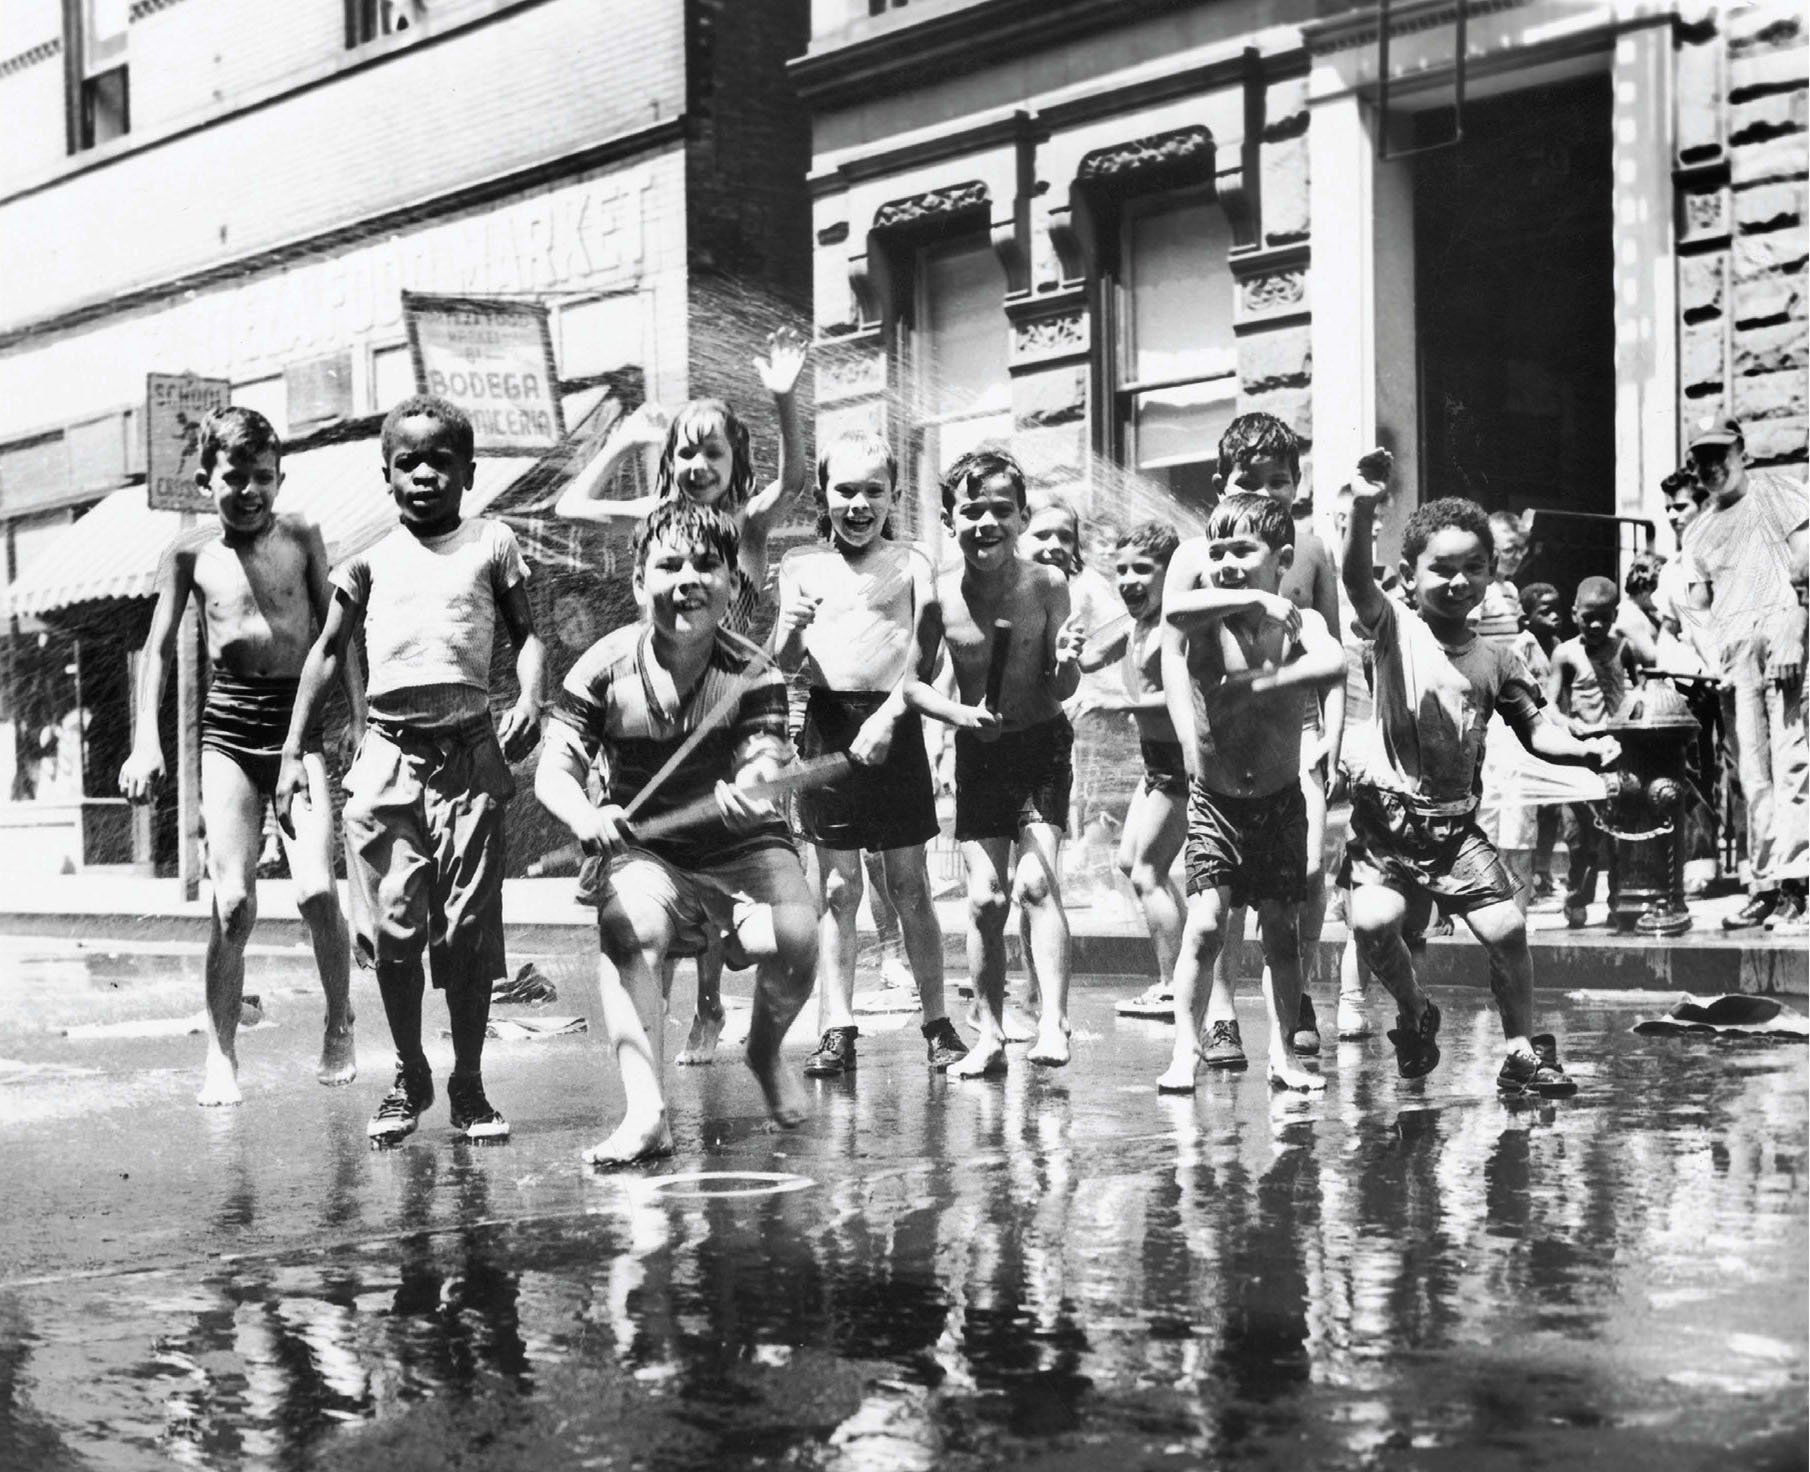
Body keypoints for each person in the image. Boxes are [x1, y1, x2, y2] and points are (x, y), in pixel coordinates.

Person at [276, 395, 546, 1144]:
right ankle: (409, 1071)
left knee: (465, 932)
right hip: (387, 758)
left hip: (469, 753)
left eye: (440, 462)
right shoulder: (366, 557)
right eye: (408, 463)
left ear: (468, 473)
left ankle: (468, 1082)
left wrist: (532, 692)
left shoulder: (493, 543)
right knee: (395, 931)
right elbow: (327, 652)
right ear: (387, 475)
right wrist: (297, 750)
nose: (424, 474)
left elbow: (529, 636)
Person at [534, 499, 817, 1164]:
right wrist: (585, 815)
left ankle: (767, 1052)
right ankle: (646, 1114)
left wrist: (753, 783)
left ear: (730, 587)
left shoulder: (754, 670)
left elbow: (768, 759)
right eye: (669, 565)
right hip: (648, 854)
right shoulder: (602, 667)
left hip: (745, 847)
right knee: (628, 924)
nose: (689, 577)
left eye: (707, 566)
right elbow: (556, 768)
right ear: (638, 584)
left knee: (799, 937)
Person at [555, 328, 808, 1053]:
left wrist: (784, 399)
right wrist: (626, 442)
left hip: (734, 717)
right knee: (654, 874)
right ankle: (674, 1020)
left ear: (735, 464)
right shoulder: (658, 524)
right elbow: (575, 503)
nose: (697, 464)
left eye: (713, 452)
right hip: (661, 717)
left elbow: (793, 482)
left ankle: (714, 1002)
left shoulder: (746, 528)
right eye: (684, 452)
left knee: (728, 855)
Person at [1340, 459, 1619, 1099]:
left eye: (1473, 568)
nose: (1457, 581)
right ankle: (1416, 1012)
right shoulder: (1393, 632)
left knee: (1508, 929)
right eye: (1439, 569)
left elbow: (1538, 729)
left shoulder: (1499, 659)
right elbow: (1356, 578)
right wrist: (1362, 507)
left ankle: (1520, 1049)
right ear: (1409, 577)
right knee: (1375, 924)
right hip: (1388, 827)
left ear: (1492, 575)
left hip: (1453, 828)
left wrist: (1583, 749)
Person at [119, 406, 361, 1106]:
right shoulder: (191, 554)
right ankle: (221, 1052)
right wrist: (145, 738)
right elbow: (157, 651)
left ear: (280, 477)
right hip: (228, 735)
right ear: (205, 481)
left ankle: (339, 1020)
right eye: (234, 478)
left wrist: (360, 717)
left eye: (263, 477)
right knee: (233, 905)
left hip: (300, 727)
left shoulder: (304, 536)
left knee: (317, 890)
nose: (250, 491)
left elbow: (340, 631)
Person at [774, 430, 990, 1078]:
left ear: (894, 496)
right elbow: (783, 664)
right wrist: (790, 630)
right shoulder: (802, 568)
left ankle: (936, 1020)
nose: (859, 504)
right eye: (845, 490)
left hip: (892, 722)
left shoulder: (913, 563)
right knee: (837, 889)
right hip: (826, 723)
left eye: (874, 490)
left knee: (909, 884)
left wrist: (894, 717)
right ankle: (838, 1026)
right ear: (823, 495)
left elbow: (931, 657)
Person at [1156, 493, 1346, 1093]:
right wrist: (1248, 596)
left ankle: (1285, 1056)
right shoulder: (1206, 617)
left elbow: (1335, 662)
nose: (1227, 562)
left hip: (1281, 802)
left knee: (1281, 936)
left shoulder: (1302, 622)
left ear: (1282, 558)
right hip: (1217, 803)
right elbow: (1174, 616)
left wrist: (1275, 692)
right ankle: (1185, 1050)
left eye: (1244, 551)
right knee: (1207, 926)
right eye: (1217, 552)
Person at [935, 449, 1087, 1076]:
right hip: (979, 751)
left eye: (1002, 509)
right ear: (950, 520)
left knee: (1034, 884)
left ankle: (1053, 1022)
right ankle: (991, 1035)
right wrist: (955, 721)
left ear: (1023, 517)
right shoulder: (938, 597)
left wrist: (1068, 659)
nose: (986, 521)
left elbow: (1062, 688)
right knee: (985, 899)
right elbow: (917, 685)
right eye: (971, 509)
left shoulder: (1046, 585)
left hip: (1040, 747)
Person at [1680, 417, 1810, 930]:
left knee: (1792, 763)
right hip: (1735, 656)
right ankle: (1765, 884)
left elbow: (1806, 569)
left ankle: (1799, 885)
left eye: (1721, 454)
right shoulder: (1699, 530)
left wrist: (1795, 634)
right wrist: (1710, 657)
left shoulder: (1778, 494)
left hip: (1781, 640)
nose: (1713, 467)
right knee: (1751, 777)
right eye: (1702, 459)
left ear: (1741, 452)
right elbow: (1697, 602)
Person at [1087, 521, 1188, 1012]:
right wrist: (1069, 649)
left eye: (1142, 569)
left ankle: (1176, 986)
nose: (1128, 578)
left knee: (1147, 870)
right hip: (1155, 766)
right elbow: (1089, 659)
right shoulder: (1135, 624)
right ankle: (1187, 964)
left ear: (1170, 575)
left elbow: (1183, 697)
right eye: (1121, 569)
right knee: (1132, 863)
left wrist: (1120, 708)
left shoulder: (1176, 625)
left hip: (1182, 767)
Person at [1548, 576, 1649, 927]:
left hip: (1617, 752)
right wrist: (1568, 725)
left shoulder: (1624, 648)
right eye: (1588, 616)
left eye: (1604, 617)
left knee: (1620, 834)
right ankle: (1577, 898)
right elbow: (1551, 707)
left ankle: (1620, 900)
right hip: (1580, 755)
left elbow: (1640, 691)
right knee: (1579, 838)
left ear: (1615, 615)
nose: (1595, 624)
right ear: (1574, 612)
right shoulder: (1565, 653)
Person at [1514, 582, 1563, 902]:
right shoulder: (1523, 647)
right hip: (1530, 737)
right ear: (1527, 617)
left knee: (1551, 809)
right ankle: (1527, 876)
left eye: (1557, 608)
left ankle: (1544, 870)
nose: (1555, 616)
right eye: (1545, 611)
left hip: (1555, 734)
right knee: (1530, 809)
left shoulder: (1558, 645)